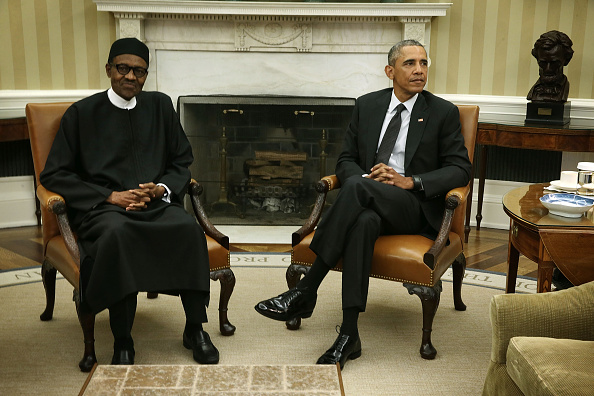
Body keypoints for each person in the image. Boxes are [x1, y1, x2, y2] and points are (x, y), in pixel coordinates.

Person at [255, 39, 472, 369]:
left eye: (424, 63)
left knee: (357, 188)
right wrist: (369, 180)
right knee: (362, 221)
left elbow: (461, 168)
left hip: (412, 207)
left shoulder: (441, 112)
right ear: (390, 71)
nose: (419, 70)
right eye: (410, 63)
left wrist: (408, 181)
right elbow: (345, 159)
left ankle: (306, 290)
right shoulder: (367, 105)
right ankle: (349, 336)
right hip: (369, 199)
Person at [40, 37, 219, 366]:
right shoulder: (81, 114)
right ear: (109, 69)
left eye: (139, 71)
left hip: (154, 205)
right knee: (118, 237)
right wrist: (109, 196)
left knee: (187, 229)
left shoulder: (160, 107)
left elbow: (181, 162)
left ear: (145, 75)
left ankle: (195, 328)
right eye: (123, 68)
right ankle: (123, 338)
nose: (131, 77)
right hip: (103, 210)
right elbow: (54, 174)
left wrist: (159, 190)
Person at [527, 30, 574, 102]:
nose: (548, 69)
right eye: (543, 63)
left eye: (554, 63)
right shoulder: (534, 92)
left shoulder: (563, 89)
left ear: (566, 60)